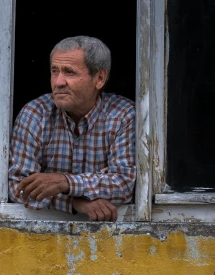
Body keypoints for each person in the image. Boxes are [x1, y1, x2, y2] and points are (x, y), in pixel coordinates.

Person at [8, 36, 136, 221]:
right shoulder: (35, 114)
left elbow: (124, 184)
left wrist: (65, 182)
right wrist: (76, 204)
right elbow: (18, 187)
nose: (58, 82)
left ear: (99, 78)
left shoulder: (124, 115)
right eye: (54, 71)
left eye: (69, 72)